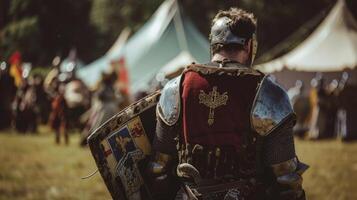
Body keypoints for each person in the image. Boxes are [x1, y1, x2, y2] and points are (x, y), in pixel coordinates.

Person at [147, 8, 307, 200]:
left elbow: (158, 168)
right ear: (248, 45)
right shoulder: (267, 93)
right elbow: (286, 178)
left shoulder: (176, 87)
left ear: (213, 45)